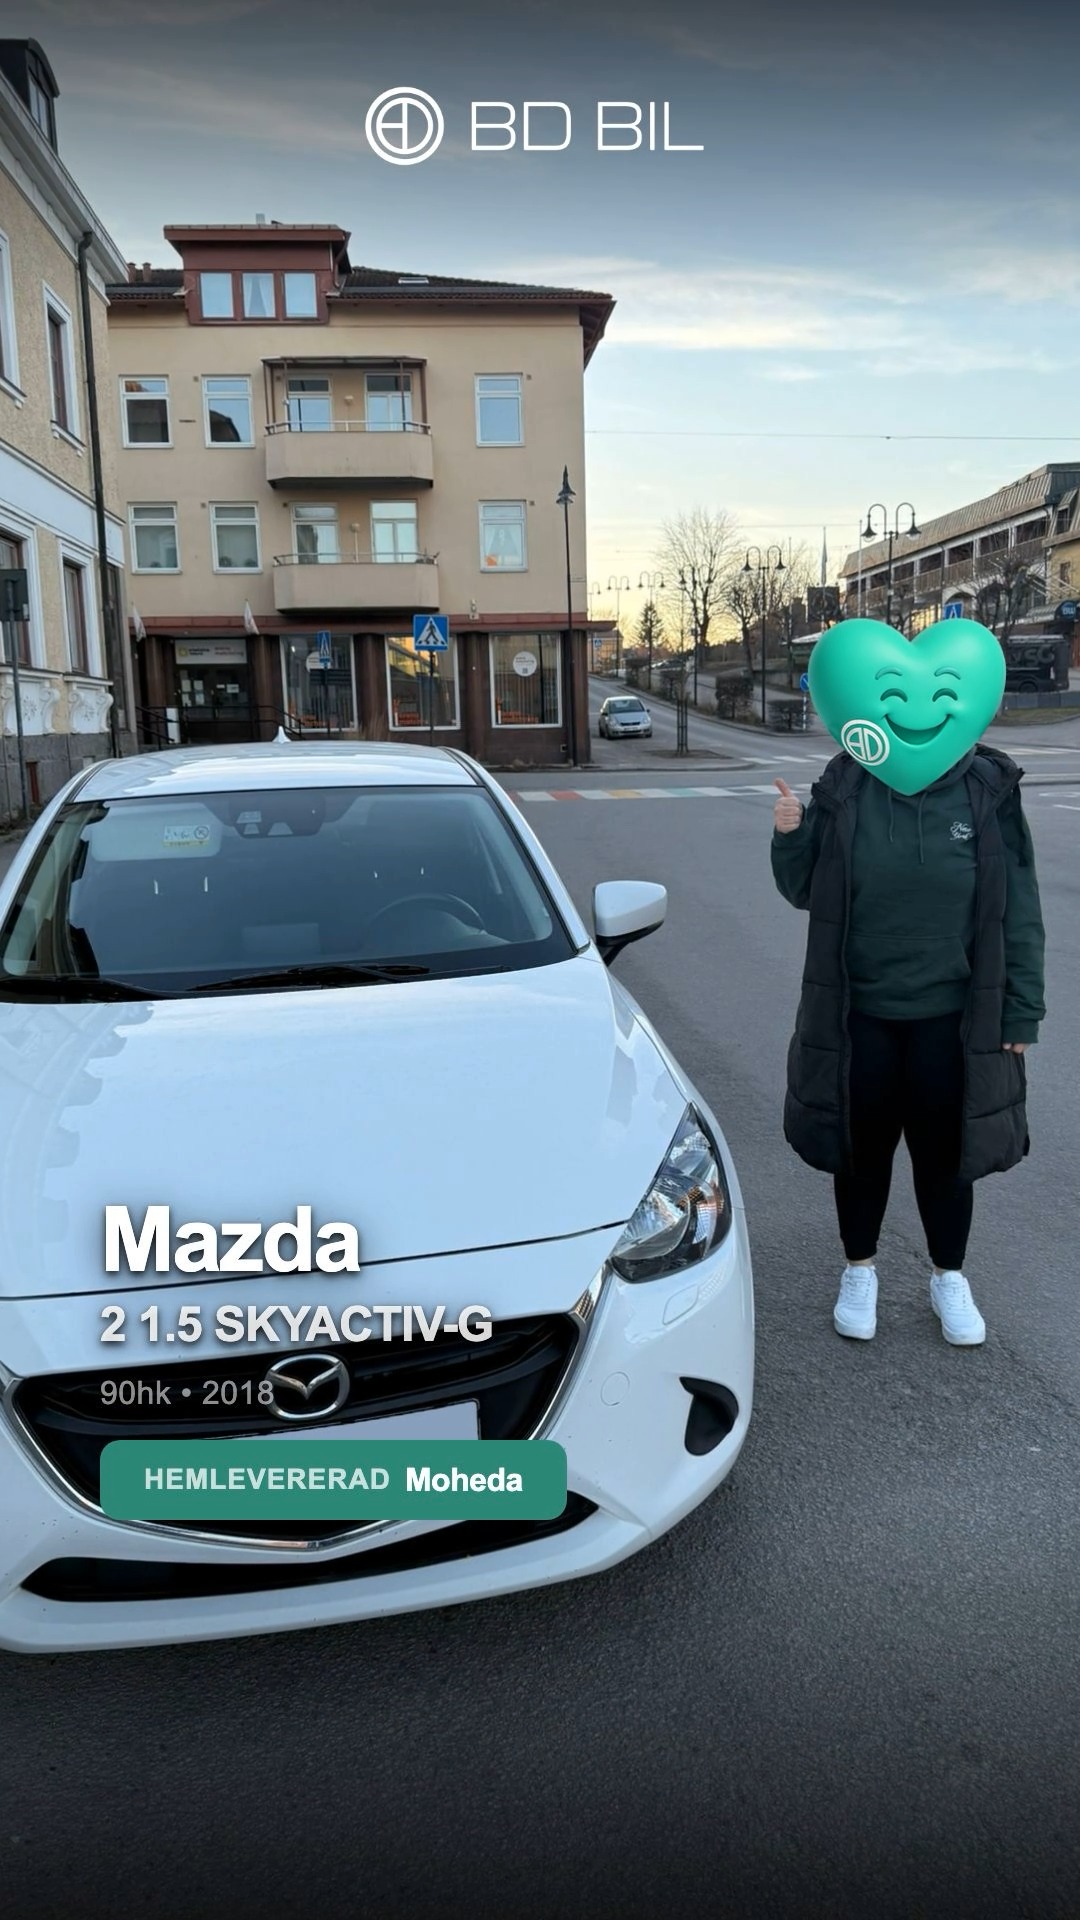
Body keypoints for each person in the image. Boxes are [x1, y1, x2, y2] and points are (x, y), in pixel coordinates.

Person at [771, 740, 1045, 1346]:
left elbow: (1020, 906)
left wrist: (1022, 1010)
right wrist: (790, 835)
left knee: (946, 1156)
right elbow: (804, 888)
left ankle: (949, 1276)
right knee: (861, 1149)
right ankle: (859, 1269)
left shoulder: (985, 790)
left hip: (953, 1018)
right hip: (859, 1014)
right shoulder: (848, 784)